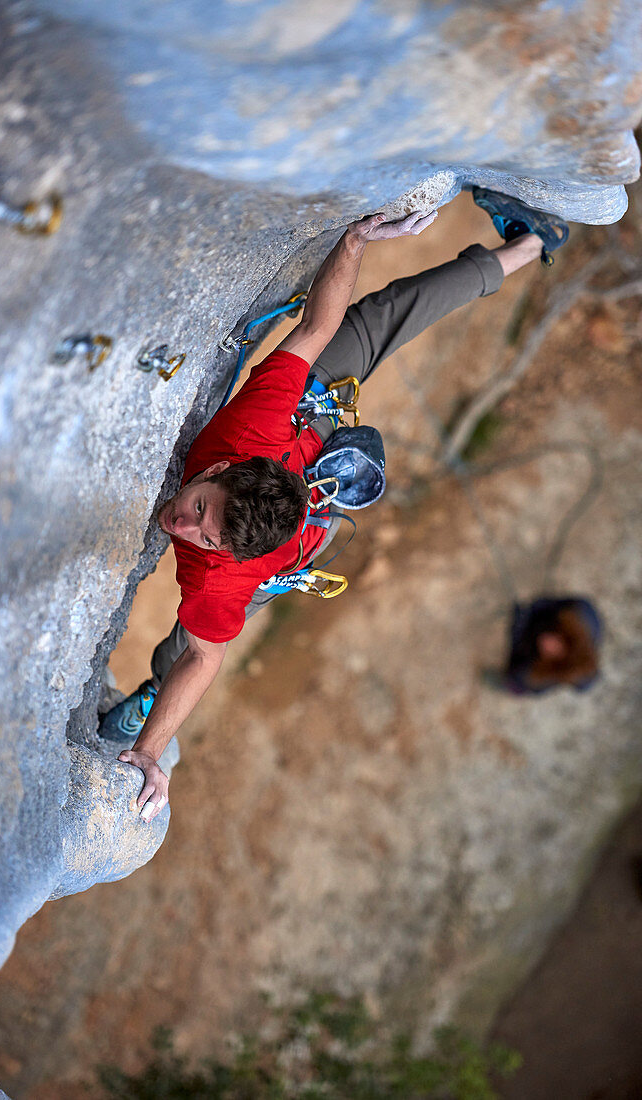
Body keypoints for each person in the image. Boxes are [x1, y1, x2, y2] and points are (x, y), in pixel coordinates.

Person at [101, 188, 570, 823]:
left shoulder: (224, 573)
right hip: (304, 443)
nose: (178, 523)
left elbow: (206, 657)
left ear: (226, 552)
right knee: (384, 316)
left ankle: (150, 695)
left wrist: (150, 749)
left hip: (292, 539)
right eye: (198, 505)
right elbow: (318, 326)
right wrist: (351, 243)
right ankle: (530, 245)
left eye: (199, 533)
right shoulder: (250, 425)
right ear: (216, 469)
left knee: (188, 643)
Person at [504, 596, 602, 695]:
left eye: (553, 654)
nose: (549, 645)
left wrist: (518, 631)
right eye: (559, 644)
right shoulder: (578, 614)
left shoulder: (537, 676)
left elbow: (515, 671)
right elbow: (543, 604)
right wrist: (528, 614)